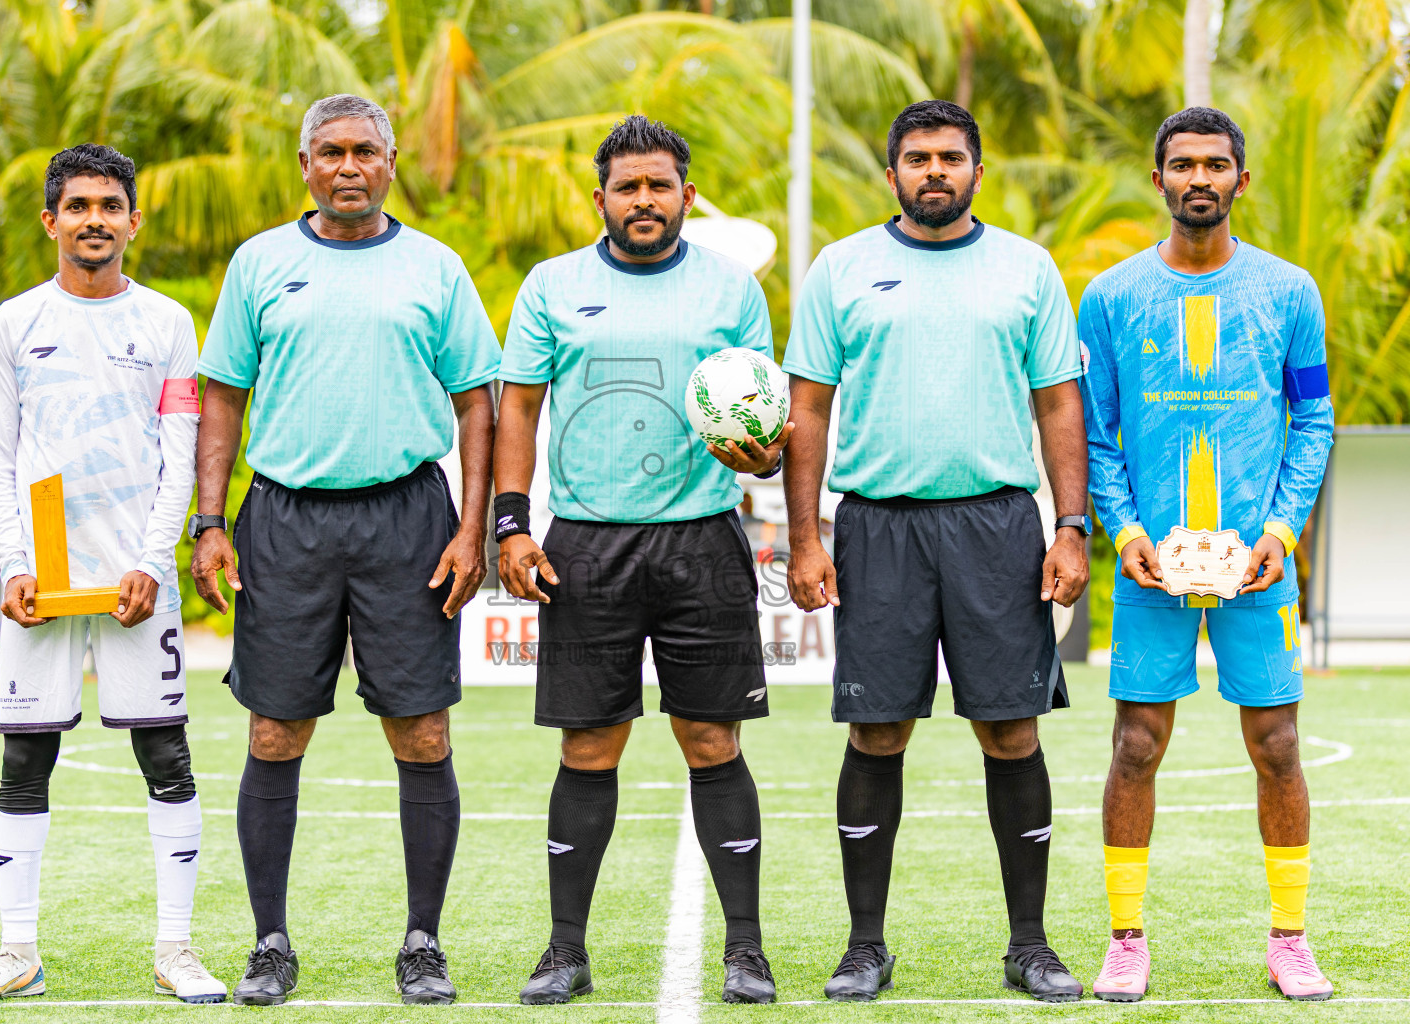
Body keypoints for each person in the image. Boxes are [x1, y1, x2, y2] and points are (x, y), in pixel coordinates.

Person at [191, 94, 500, 1006]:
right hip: (285, 519)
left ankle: (422, 942)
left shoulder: (435, 269)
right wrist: (210, 522)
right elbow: (221, 398)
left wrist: (471, 528)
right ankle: (270, 943)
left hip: (408, 519)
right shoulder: (260, 264)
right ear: (305, 165)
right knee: (275, 730)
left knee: (423, 730)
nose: (349, 166)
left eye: (366, 150)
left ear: (392, 161)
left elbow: (476, 401)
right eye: (331, 152)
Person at [782, 99, 1090, 1003]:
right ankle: (865, 946)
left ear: (977, 172)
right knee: (878, 730)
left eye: (951, 157)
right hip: (879, 524)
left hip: (999, 523)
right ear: (892, 174)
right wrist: (805, 537)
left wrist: (1070, 526)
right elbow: (808, 408)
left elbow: (1059, 405)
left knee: (1010, 728)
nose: (934, 172)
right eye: (917, 158)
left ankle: (1029, 944)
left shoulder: (1026, 269)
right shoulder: (841, 268)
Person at [494, 115, 788, 1006]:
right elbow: (518, 409)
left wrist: (763, 458)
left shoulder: (732, 289)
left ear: (687, 196)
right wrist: (512, 524)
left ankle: (746, 950)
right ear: (601, 199)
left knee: (711, 740)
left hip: (703, 536)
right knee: (590, 746)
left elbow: (761, 409)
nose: (645, 200)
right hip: (586, 540)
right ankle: (564, 950)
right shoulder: (552, 286)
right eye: (628, 187)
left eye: (660, 185)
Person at [0, 144, 224, 1005]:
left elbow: (178, 456)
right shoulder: (12, 323)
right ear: (51, 221)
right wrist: (14, 564)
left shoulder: (170, 322)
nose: (94, 220)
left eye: (110, 205)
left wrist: (153, 560)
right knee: (25, 758)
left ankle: (176, 949)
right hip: (42, 583)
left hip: (136, 580)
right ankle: (16, 951)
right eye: (78, 206)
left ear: (134, 221)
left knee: (164, 754)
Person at [1079, 107, 1335, 1003]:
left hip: (1258, 563)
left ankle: (1291, 939)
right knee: (1136, 745)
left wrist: (1281, 531)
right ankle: (1125, 938)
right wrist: (1128, 531)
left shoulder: (1289, 292)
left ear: (1240, 180)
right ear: (1158, 181)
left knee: (1279, 743)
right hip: (1151, 563)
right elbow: (1098, 433)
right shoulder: (1111, 296)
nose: (1199, 178)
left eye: (1215, 165)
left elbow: (1316, 418)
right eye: (1182, 164)